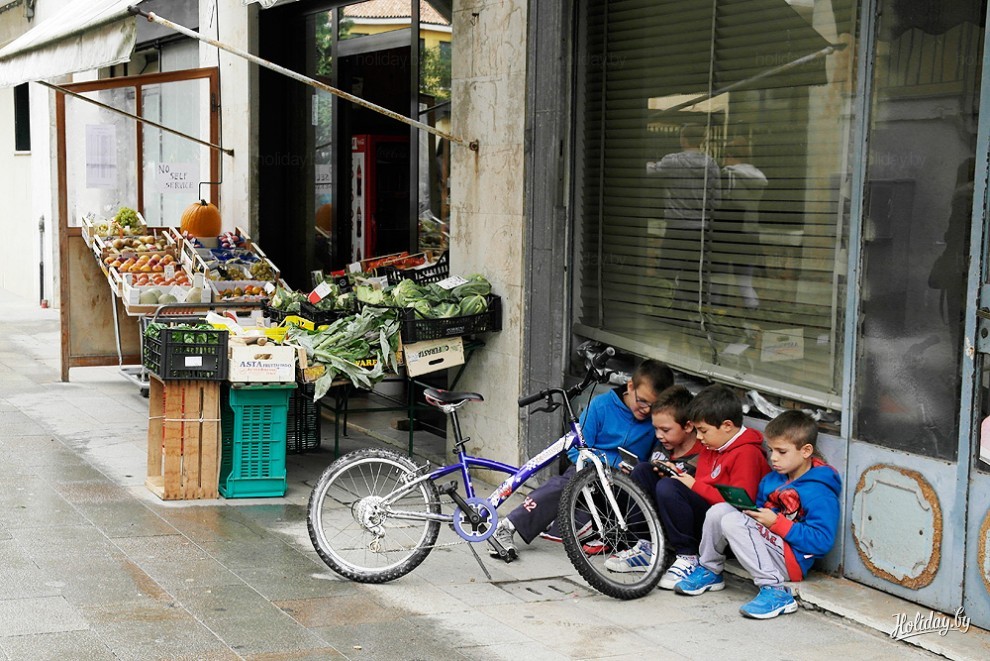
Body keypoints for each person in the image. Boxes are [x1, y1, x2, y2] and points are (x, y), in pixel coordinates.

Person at [489, 359, 675, 560]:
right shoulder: (601, 406)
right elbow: (575, 450)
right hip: (591, 472)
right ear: (630, 386)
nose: (647, 410)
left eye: (654, 406)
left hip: (625, 487)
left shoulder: (654, 421)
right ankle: (508, 526)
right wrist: (603, 464)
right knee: (564, 484)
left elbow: (656, 458)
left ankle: (613, 536)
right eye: (643, 401)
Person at [673, 410, 842, 620]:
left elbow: (822, 542)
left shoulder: (820, 492)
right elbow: (759, 519)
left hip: (792, 561)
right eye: (771, 450)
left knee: (734, 520)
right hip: (767, 547)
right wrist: (754, 514)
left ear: (806, 450)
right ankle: (710, 570)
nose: (773, 458)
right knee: (719, 511)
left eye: (782, 451)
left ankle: (776, 591)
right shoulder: (772, 480)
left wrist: (777, 523)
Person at [604, 384, 768, 589]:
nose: (699, 437)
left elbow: (741, 505)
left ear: (727, 426)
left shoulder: (747, 453)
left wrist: (691, 484)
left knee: (669, 487)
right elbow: (703, 484)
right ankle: (647, 547)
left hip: (722, 534)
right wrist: (678, 475)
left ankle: (688, 557)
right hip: (705, 514)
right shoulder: (713, 444)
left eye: (703, 431)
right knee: (643, 471)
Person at [653, 124, 722, 310]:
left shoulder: (672, 161)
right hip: (700, 229)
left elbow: (648, 172)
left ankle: (667, 310)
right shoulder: (711, 164)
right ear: (702, 140)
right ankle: (689, 312)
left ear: (683, 139)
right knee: (693, 275)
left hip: (676, 228)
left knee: (667, 274)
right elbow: (716, 201)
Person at [717, 137, 767, 309]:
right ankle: (753, 309)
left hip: (728, 231)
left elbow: (720, 200)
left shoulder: (728, 175)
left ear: (730, 156)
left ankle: (716, 312)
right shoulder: (758, 176)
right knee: (745, 282)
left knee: (718, 278)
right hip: (750, 231)